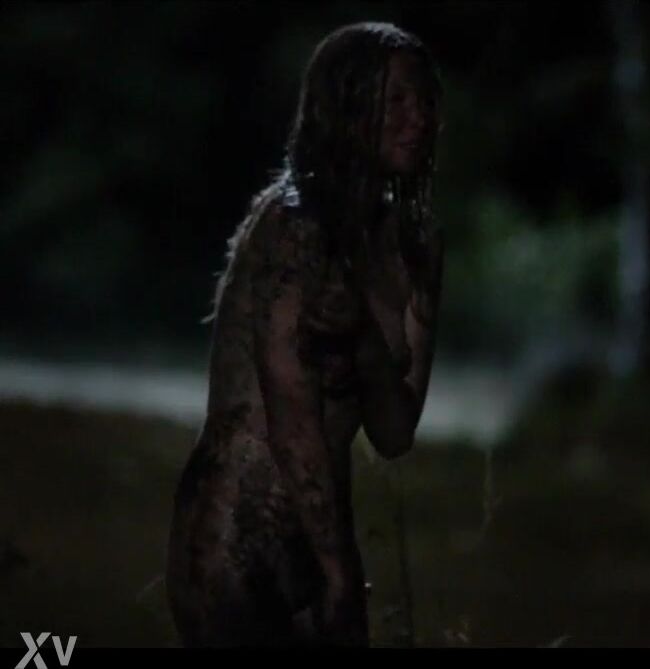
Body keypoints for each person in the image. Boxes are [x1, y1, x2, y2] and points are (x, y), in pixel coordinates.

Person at [165, 22, 444, 647]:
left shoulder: (415, 245)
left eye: (426, 100)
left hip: (321, 539)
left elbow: (395, 433)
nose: (418, 118)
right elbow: (290, 412)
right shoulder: (294, 227)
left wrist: (365, 344)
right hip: (235, 534)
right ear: (347, 107)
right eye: (396, 99)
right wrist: (337, 571)